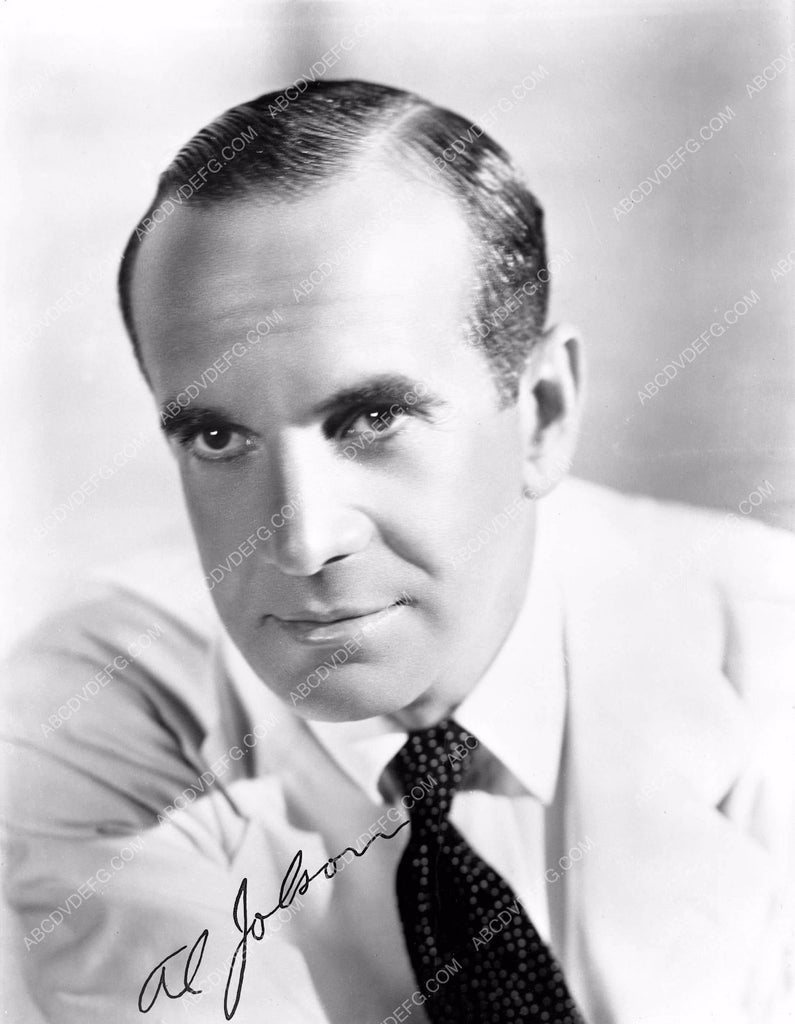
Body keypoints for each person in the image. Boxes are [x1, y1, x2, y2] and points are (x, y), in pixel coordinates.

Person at [2, 80, 793, 1024]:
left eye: (372, 418)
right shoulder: (98, 704)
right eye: (218, 438)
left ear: (542, 414)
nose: (303, 540)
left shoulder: (766, 645)